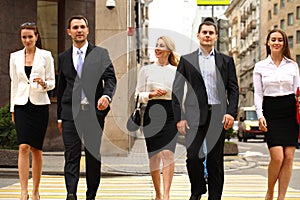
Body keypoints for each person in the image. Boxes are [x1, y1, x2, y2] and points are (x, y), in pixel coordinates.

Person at [172, 17, 239, 200]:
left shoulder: (226, 61)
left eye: (211, 33)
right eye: (205, 32)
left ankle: (215, 197)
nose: (207, 36)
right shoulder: (187, 60)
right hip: (194, 116)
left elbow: (233, 89)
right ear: (198, 35)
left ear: (216, 36)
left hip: (218, 115)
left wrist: (231, 113)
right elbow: (177, 90)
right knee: (193, 157)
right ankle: (198, 188)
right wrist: (180, 117)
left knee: (216, 162)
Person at [57, 15, 117, 200]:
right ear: (69, 32)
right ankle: (71, 194)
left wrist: (106, 96)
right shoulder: (63, 57)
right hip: (70, 114)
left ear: (88, 30)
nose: (79, 30)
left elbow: (111, 78)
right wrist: (59, 116)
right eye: (75, 27)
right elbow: (61, 88)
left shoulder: (100, 53)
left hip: (93, 113)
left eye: (82, 26)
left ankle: (91, 196)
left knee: (92, 155)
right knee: (71, 155)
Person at [9, 22, 55, 200]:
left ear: (36, 36)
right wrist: (13, 109)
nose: (27, 40)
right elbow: (14, 84)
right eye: (24, 37)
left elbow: (52, 81)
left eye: (30, 36)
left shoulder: (46, 56)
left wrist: (45, 84)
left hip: (39, 106)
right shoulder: (14, 57)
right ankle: (23, 191)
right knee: (23, 147)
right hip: (21, 105)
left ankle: (35, 191)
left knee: (36, 149)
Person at [253, 28, 300, 200]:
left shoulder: (292, 65)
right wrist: (260, 115)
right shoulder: (260, 66)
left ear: (284, 43)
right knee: (278, 157)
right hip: (271, 110)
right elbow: (258, 94)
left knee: (289, 158)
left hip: (290, 111)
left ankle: (281, 197)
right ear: (268, 42)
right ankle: (270, 190)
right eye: (273, 39)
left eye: (280, 40)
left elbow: (298, 91)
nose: (276, 42)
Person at [135, 36, 179, 200]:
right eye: (157, 45)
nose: (158, 48)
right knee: (154, 156)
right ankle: (158, 194)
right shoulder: (146, 70)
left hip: (171, 113)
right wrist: (151, 94)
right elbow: (137, 95)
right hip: (152, 113)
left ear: (169, 50)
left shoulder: (176, 71)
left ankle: (166, 195)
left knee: (168, 153)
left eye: (162, 46)